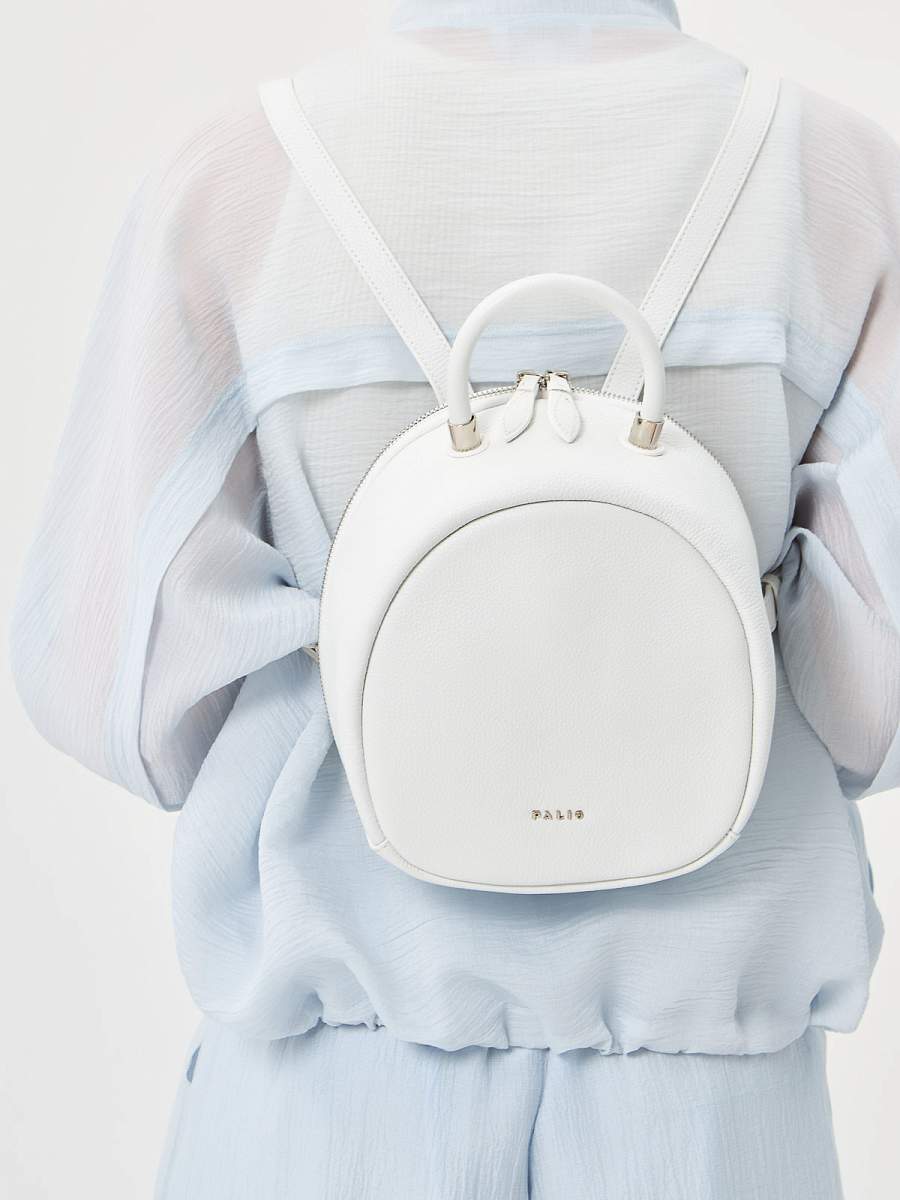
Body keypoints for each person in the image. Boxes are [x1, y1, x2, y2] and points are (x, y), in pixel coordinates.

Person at [10, 2, 900, 1196]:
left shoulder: (242, 177)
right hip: (708, 1116)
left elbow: (117, 696)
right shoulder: (835, 178)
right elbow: (871, 707)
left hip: (326, 1099)